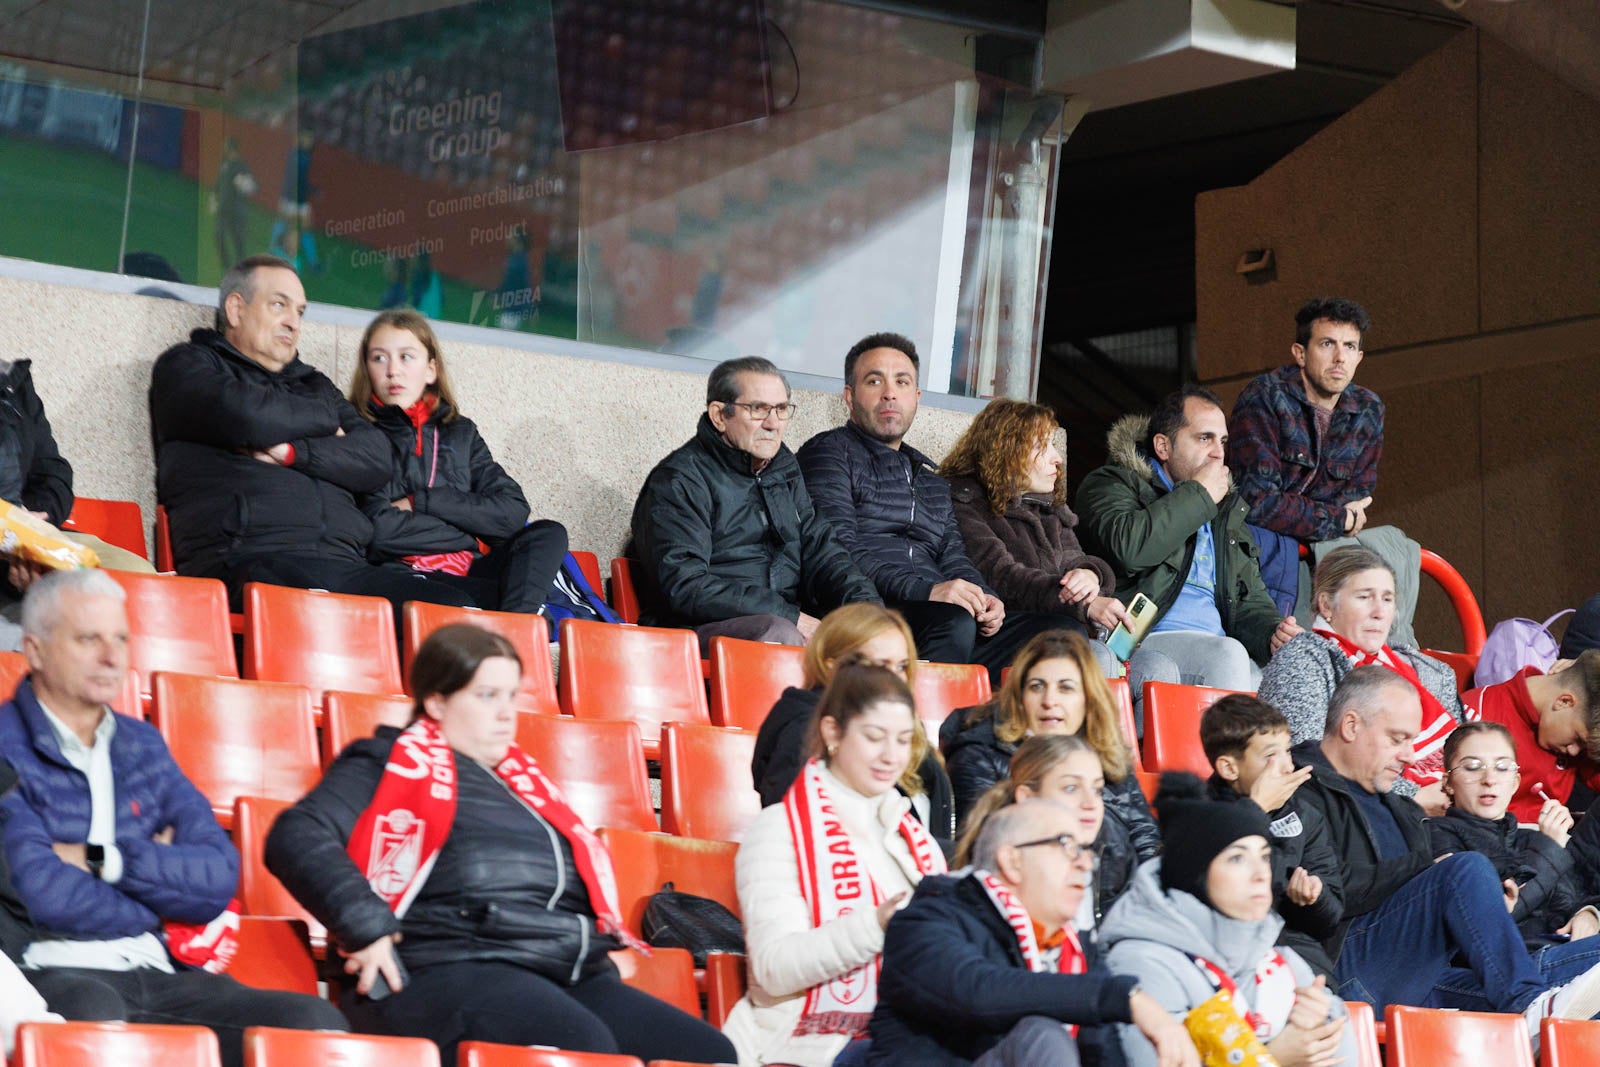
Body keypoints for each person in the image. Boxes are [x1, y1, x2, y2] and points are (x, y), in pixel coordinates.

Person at [265, 623, 734, 1065]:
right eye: (487, 696)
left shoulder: (530, 789)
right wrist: (364, 926)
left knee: (707, 1052)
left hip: (559, 969)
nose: (506, 712)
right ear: (436, 701)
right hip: (442, 964)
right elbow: (296, 836)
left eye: (511, 695)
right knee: (581, 1045)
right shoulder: (387, 765)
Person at [0, 570, 348, 1067]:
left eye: (120, 638)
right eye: (88, 639)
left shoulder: (143, 746)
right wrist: (160, 879)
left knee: (313, 1024)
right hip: (53, 968)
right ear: (34, 650)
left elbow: (216, 877)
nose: (111, 656)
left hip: (161, 968)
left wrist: (105, 861)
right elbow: (36, 889)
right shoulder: (4, 748)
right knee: (96, 1021)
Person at [149, 255, 480, 619]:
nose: (293, 322)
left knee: (453, 611)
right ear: (236, 308)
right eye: (279, 305)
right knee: (328, 610)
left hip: (344, 565)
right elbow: (247, 415)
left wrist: (293, 452)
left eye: (300, 312)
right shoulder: (187, 367)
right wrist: (325, 421)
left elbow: (375, 457)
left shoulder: (315, 384)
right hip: (250, 560)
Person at [1289, 665, 1600, 1031]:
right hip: (1346, 970)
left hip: (1425, 975)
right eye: (1397, 738)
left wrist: (1588, 911)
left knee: (1562, 981)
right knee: (1467, 869)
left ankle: (1533, 1005)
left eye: (1411, 741)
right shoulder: (1298, 787)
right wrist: (1428, 871)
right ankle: (1527, 1003)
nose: (1409, 756)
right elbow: (1322, 894)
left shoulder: (1404, 809)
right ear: (1352, 726)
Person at [797, 333, 1064, 684]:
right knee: (950, 623)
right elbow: (835, 548)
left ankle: (992, 732)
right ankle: (920, 733)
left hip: (941, 619)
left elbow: (954, 556)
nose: (890, 392)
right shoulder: (828, 453)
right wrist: (927, 591)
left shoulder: (931, 481)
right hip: (865, 611)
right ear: (849, 397)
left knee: (1060, 635)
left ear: (916, 398)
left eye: (902, 382)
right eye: (874, 380)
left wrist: (986, 599)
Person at [865, 798, 1199, 1067]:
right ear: (1012, 861)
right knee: (1041, 1034)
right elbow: (978, 991)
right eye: (1067, 846)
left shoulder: (1076, 950)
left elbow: (1103, 1053)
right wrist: (1124, 998)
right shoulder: (925, 921)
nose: (1086, 864)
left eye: (1086, 850)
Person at [725, 664, 948, 1067]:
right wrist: (875, 925)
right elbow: (774, 969)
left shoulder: (911, 837)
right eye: (874, 737)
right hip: (807, 1043)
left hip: (907, 1026)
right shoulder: (779, 830)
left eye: (902, 740)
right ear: (832, 733)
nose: (890, 756)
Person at [1100, 773, 1356, 1067]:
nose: (1261, 873)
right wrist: (1273, 1059)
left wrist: (1320, 1022)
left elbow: (1343, 1053)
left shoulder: (1278, 960)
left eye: (1263, 857)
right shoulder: (1141, 965)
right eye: (1237, 859)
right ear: (1194, 874)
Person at [630, 356, 878, 652]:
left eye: (781, 409)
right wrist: (790, 616)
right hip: (692, 631)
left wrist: (868, 610)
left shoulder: (783, 470)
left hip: (780, 621)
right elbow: (686, 586)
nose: (773, 424)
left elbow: (823, 550)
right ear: (720, 416)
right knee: (779, 634)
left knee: (877, 637)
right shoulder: (678, 480)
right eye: (758, 409)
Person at [1075, 385, 1301, 692]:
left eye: (1222, 441)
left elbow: (1247, 597)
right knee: (1228, 657)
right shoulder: (1112, 483)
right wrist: (1199, 495)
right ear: (1163, 447)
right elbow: (1130, 549)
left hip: (1215, 647)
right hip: (1142, 642)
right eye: (1204, 438)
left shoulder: (1224, 512)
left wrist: (1272, 633)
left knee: (1278, 678)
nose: (1219, 453)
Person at [348, 309, 568, 614]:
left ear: (431, 370)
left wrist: (420, 501)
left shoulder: (461, 433)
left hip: (469, 572)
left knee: (550, 533)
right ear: (367, 369)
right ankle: (516, 632)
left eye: (406, 357)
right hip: (399, 576)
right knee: (469, 603)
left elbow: (512, 514)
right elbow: (376, 531)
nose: (393, 371)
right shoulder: (356, 433)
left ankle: (516, 630)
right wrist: (469, 533)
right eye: (379, 358)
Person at [1259, 545, 1463, 811]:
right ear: (1326, 604)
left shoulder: (1432, 672)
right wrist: (1411, 797)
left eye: (1387, 599)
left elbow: (1465, 751)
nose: (1379, 611)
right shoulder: (1303, 659)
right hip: (1355, 817)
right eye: (1365, 597)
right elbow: (1303, 756)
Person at [940, 630, 1159, 867]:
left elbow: (1145, 840)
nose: (1049, 701)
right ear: (1019, 696)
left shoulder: (1106, 752)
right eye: (1037, 687)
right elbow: (986, 851)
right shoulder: (980, 755)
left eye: (1065, 688)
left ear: (1087, 699)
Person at [941, 398, 1125, 673]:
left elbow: (1076, 558)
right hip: (1008, 636)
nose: (1057, 458)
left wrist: (1088, 575)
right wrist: (1083, 604)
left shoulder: (1049, 506)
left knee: (1156, 664)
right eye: (1042, 446)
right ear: (1005, 451)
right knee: (1094, 655)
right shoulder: (965, 501)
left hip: (1066, 631)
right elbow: (1002, 576)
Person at [749, 603, 955, 849]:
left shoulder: (906, 726)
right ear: (830, 665)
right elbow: (805, 841)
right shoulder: (803, 730)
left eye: (901, 666)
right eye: (879, 666)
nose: (894, 678)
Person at [1228, 298, 1381, 611]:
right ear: (1300, 353)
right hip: (1256, 555)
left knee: (1391, 546)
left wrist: (1322, 517)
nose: (1340, 357)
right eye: (1327, 343)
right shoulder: (1266, 395)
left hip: (1318, 556)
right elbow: (1257, 504)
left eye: (1350, 347)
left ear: (1360, 357)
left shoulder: (1368, 408)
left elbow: (1357, 499)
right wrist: (1337, 518)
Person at [0, 357, 155, 651]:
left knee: (137, 574)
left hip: (33, 535)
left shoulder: (12, 383)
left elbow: (54, 473)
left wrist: (32, 527)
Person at [1428, 723, 1600, 959]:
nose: (1489, 779)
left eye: (1502, 767)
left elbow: (1574, 899)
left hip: (1562, 956)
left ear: (1516, 782)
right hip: (1503, 973)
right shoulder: (1434, 835)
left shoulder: (1530, 838)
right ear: (1447, 782)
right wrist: (1549, 847)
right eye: (1472, 767)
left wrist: (1588, 914)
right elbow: (1487, 918)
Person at [1199, 694, 1341, 978]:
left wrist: (1315, 899)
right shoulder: (1196, 814)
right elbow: (1202, 897)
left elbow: (1330, 918)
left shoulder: (1305, 815)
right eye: (1270, 756)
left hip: (1292, 957)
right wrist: (1257, 811)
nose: (1288, 766)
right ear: (1229, 767)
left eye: (1287, 751)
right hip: (1219, 956)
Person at [953, 734, 1139, 932]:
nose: (1091, 803)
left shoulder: (1113, 853)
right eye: (1071, 788)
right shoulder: (970, 901)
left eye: (1097, 790)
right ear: (1026, 797)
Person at [1463, 650, 1600, 823]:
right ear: (1564, 702)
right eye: (1578, 740)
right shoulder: (1474, 718)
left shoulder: (1579, 721)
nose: (1574, 752)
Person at [212, 136, 255, 273]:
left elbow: (252, 188)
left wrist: (243, 184)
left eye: (226, 148)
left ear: (232, 149)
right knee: (218, 236)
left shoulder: (241, 167)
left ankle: (243, 269)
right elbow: (220, 182)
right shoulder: (225, 164)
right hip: (223, 209)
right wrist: (214, 197)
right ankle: (226, 266)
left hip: (236, 211)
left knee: (238, 242)